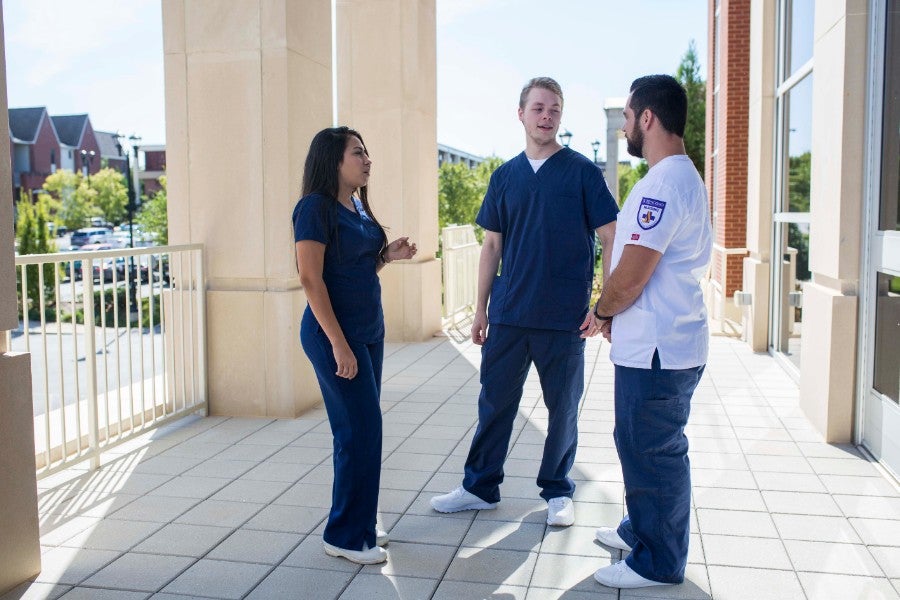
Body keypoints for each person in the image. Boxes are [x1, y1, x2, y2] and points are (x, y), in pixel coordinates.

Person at [431, 77, 618, 526]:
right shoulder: (504, 177)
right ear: (521, 114)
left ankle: (557, 491)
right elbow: (491, 246)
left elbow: (610, 237)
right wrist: (481, 309)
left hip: (564, 317)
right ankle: (480, 487)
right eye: (538, 108)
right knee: (494, 404)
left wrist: (603, 303)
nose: (546, 116)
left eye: (554, 109)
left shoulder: (582, 173)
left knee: (562, 410)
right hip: (510, 313)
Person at [589, 75, 712, 589]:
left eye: (627, 117)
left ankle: (658, 560)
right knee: (641, 442)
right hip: (663, 344)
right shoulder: (680, 176)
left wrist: (602, 311)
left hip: (659, 351)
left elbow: (634, 272)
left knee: (652, 449)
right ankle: (643, 529)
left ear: (647, 118)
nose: (622, 128)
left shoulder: (663, 185)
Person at [292, 126, 417, 565]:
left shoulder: (358, 207)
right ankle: (345, 534)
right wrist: (339, 346)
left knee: (360, 432)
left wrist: (388, 256)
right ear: (333, 159)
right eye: (358, 153)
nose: (367, 160)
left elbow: (354, 268)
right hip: (335, 336)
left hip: (367, 332)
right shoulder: (314, 208)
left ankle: (360, 520)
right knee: (360, 432)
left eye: (367, 153)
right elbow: (311, 279)